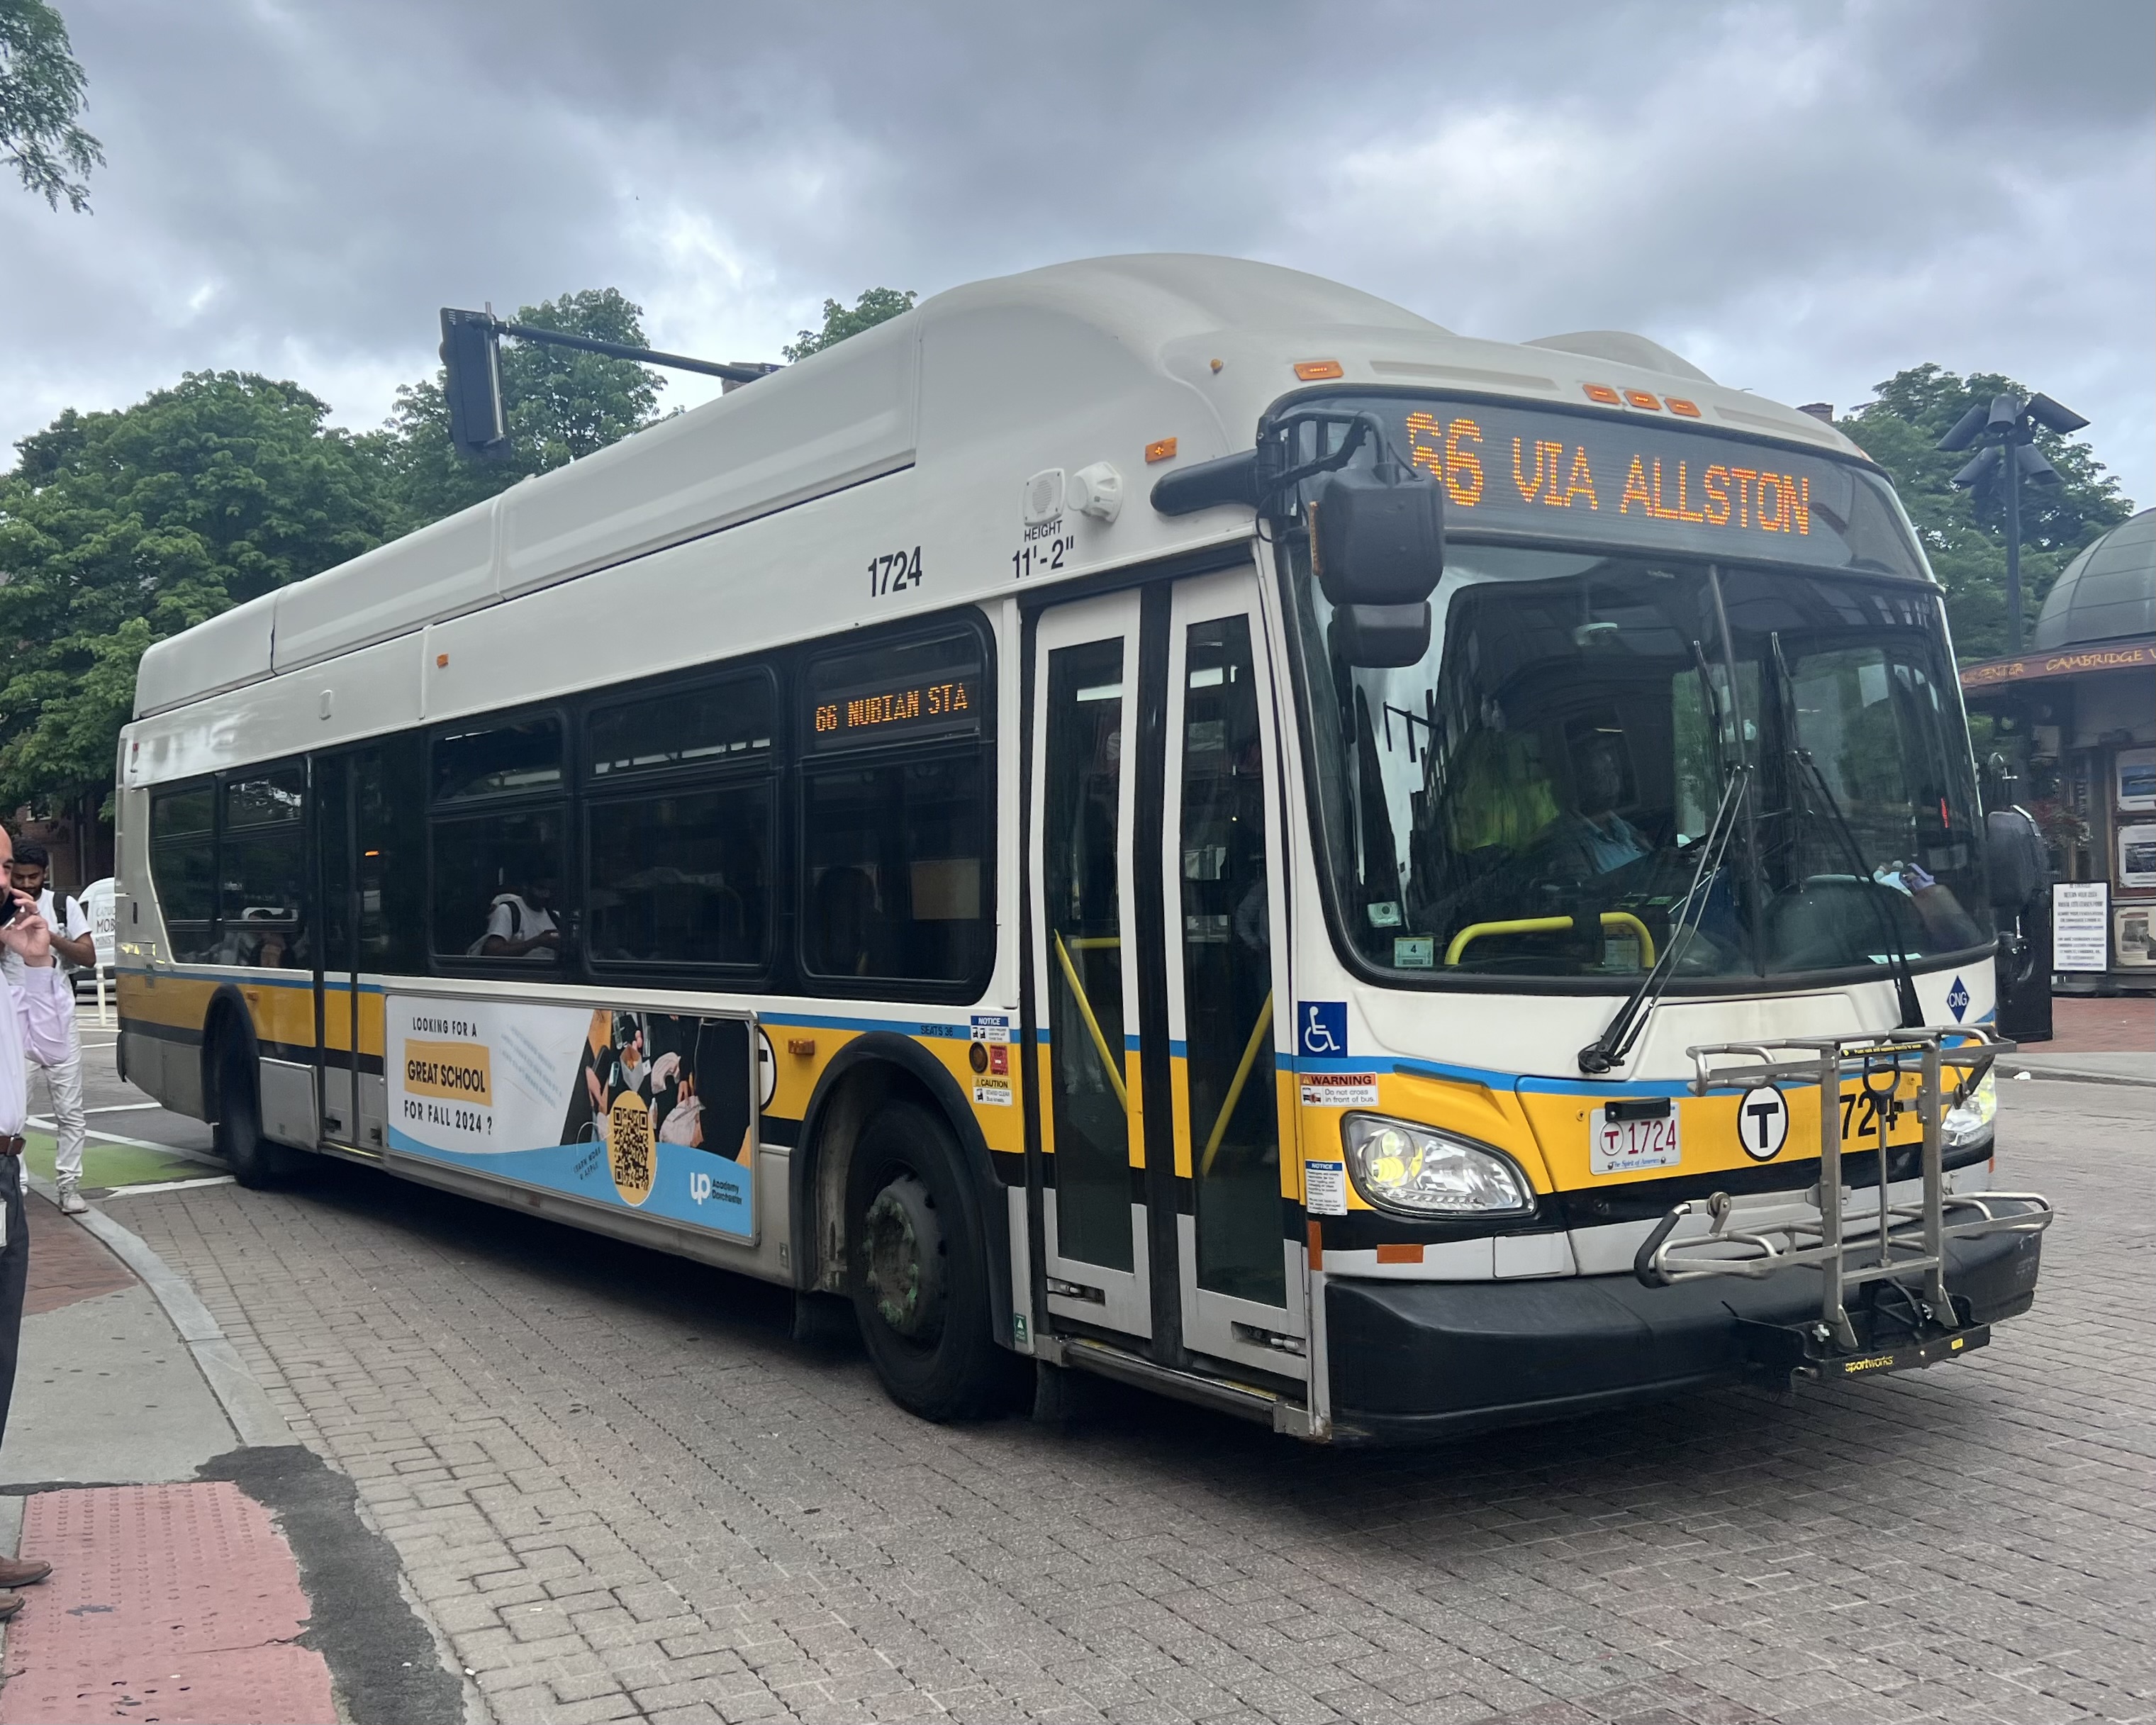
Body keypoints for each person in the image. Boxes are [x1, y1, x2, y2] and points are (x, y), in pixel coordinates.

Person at [0, 871, 74, 1617]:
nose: (8, 885)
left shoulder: (8, 961)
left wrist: (35, 961)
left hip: (4, 1173)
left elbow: (51, 1049)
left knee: (0, 1363)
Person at [2, 842, 92, 1218]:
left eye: (29, 876)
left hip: (54, 1014)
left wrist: (46, 940)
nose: (23, 882)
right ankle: (16, 1183)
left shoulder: (60, 907)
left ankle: (68, 1182)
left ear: (45, 875)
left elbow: (88, 957)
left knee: (70, 1109)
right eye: (15, 874)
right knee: (15, 1110)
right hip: (13, 1018)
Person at [1547, 731, 1651, 876]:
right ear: (1577, 785)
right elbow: (1586, 895)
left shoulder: (1624, 828)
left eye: (1612, 772)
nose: (1612, 783)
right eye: (1599, 776)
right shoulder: (1565, 841)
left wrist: (1664, 861)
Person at [474, 872, 561, 961]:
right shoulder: (509, 911)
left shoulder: (555, 917)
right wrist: (537, 942)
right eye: (541, 889)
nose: (546, 895)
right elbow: (491, 953)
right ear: (526, 886)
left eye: (551, 890)